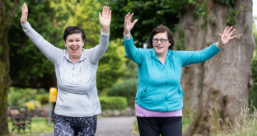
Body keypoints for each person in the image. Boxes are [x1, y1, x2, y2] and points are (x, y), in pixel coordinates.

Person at [123, 13, 236, 136]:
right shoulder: (144, 56)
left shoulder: (177, 57)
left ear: (169, 42)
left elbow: (201, 55)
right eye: (155, 40)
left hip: (172, 112)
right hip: (147, 113)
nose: (158, 42)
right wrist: (127, 34)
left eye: (162, 40)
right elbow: (130, 52)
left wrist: (219, 45)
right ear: (152, 42)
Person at [20, 3, 111, 136]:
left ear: (83, 42)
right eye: (70, 40)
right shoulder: (58, 56)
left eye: (77, 40)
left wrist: (105, 30)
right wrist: (25, 24)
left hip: (88, 117)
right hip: (63, 117)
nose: (74, 44)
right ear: (65, 43)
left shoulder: (91, 57)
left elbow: (102, 47)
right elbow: (40, 41)